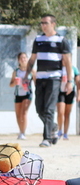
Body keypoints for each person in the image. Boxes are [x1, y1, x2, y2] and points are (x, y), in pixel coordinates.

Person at [25, 14, 73, 147]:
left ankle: (47, 139)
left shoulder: (61, 40)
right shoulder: (38, 39)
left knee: (49, 109)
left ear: (53, 24)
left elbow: (68, 62)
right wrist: (26, 76)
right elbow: (32, 59)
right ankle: (52, 126)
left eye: (45, 22)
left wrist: (70, 81)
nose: (43, 25)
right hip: (40, 78)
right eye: (41, 23)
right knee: (39, 109)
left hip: (54, 78)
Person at [9, 52, 35, 140]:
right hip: (18, 94)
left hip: (27, 94)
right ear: (19, 60)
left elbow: (36, 82)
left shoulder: (31, 70)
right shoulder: (16, 71)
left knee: (24, 113)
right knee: (18, 114)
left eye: (25, 57)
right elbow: (11, 84)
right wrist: (15, 82)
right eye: (21, 58)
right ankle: (20, 131)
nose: (23, 59)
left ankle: (23, 132)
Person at [57, 65, 79, 140]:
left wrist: (78, 94)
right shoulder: (58, 67)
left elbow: (78, 82)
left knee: (67, 113)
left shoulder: (74, 69)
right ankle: (60, 130)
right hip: (60, 92)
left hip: (70, 92)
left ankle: (65, 133)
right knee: (60, 112)